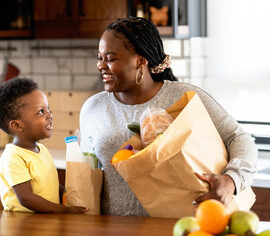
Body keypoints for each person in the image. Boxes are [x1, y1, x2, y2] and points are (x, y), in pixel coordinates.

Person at [79, 17, 258, 216]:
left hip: (179, 226)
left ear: (141, 61)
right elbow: (88, 174)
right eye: (99, 58)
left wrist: (232, 180)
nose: (101, 66)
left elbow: (239, 139)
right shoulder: (92, 108)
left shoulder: (184, 97)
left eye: (110, 59)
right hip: (112, 229)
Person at [0, 77, 88, 213]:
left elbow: (49, 183)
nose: (50, 116)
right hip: (23, 226)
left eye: (48, 109)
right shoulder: (14, 157)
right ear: (17, 125)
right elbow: (27, 198)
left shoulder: (42, 150)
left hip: (43, 223)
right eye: (41, 112)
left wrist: (68, 193)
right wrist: (65, 211)